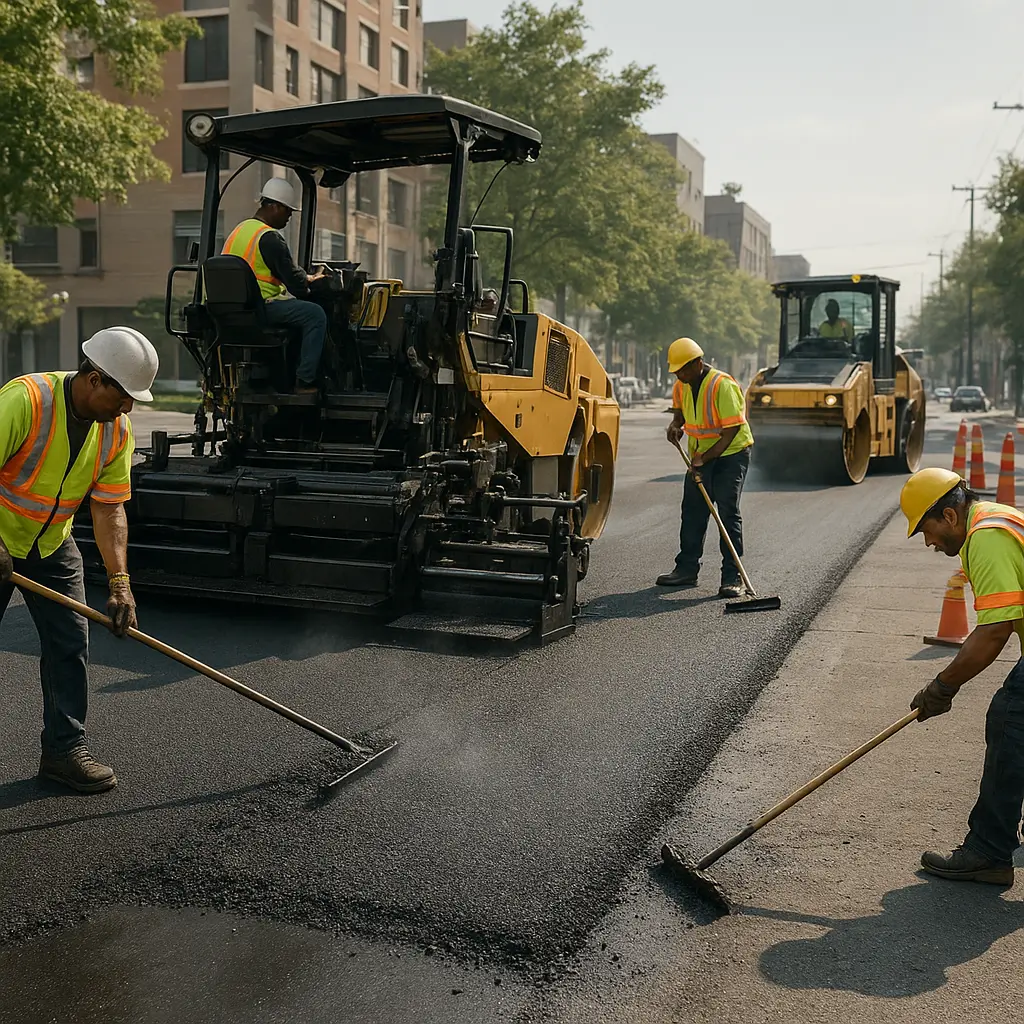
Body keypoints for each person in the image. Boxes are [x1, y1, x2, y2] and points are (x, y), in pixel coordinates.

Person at [0, 327, 158, 793]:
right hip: (1, 538)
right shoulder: (24, 400)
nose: (128, 407)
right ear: (94, 380)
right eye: (124, 395)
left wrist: (120, 583)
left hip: (51, 543)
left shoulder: (116, 430)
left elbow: (109, 507)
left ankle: (64, 751)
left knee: (70, 642)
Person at [901, 466, 1024, 885]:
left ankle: (989, 851)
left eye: (927, 531)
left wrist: (943, 686)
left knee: (1011, 718)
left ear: (949, 516)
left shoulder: (986, 537)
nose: (929, 542)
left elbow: (993, 632)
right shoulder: (993, 518)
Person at [656, 337, 754, 598]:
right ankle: (686, 569)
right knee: (693, 511)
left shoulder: (723, 385)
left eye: (683, 370)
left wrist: (706, 457)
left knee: (727, 513)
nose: (680, 375)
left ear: (698, 363)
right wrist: (675, 426)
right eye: (676, 371)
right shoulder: (682, 385)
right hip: (702, 457)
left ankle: (733, 578)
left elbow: (732, 429)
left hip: (731, 455)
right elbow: (681, 413)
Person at [222, 177, 327, 394]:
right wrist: (312, 281)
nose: (289, 216)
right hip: (260, 307)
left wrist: (303, 278)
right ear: (273, 206)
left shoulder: (241, 230)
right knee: (315, 315)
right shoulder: (269, 238)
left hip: (232, 309)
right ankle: (304, 381)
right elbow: (296, 285)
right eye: (287, 210)